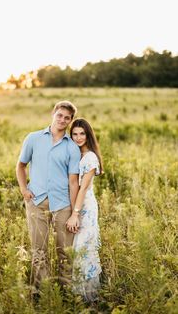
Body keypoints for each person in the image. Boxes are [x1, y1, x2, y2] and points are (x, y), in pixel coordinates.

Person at [16, 101, 81, 292]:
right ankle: (44, 293)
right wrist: (23, 190)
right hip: (36, 202)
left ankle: (66, 292)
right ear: (53, 113)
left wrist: (74, 213)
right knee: (39, 251)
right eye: (59, 115)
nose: (62, 120)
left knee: (66, 252)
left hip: (63, 205)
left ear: (70, 121)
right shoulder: (33, 138)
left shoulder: (72, 147)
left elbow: (73, 182)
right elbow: (20, 165)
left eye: (67, 118)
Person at [66, 118, 103, 302]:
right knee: (77, 248)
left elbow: (83, 188)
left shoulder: (90, 157)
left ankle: (89, 297)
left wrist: (75, 214)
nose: (79, 137)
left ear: (88, 135)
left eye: (82, 133)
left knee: (84, 248)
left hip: (85, 207)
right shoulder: (75, 154)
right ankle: (78, 295)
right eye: (75, 134)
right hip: (76, 205)